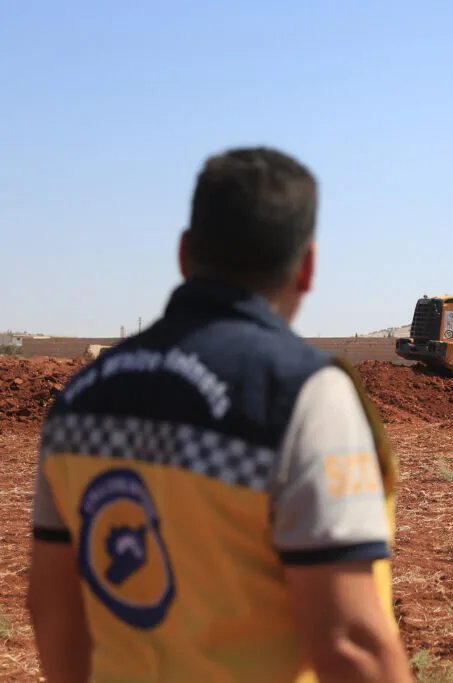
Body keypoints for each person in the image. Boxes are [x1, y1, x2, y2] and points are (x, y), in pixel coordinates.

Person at [27, 148, 413, 683]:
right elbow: (350, 645)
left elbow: (51, 611)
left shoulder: (81, 396)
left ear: (185, 254)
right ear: (306, 266)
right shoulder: (304, 396)